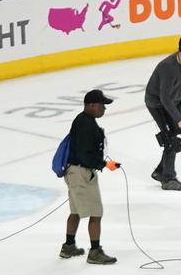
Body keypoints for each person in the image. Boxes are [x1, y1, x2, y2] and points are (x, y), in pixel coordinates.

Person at [60, 89, 118, 264]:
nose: (104, 109)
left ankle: (69, 246)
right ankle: (94, 252)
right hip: (81, 173)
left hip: (75, 172)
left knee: (75, 211)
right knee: (96, 213)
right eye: (102, 105)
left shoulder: (84, 120)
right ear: (92, 105)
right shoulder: (86, 124)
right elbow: (84, 154)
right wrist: (104, 164)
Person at [144, 32, 181, 191]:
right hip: (157, 103)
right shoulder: (168, 67)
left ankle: (160, 170)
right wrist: (178, 118)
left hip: (174, 101)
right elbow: (164, 98)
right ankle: (168, 178)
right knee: (172, 138)